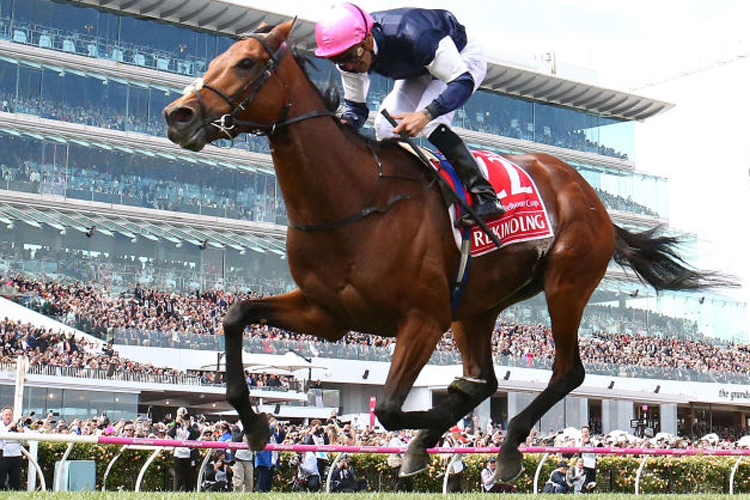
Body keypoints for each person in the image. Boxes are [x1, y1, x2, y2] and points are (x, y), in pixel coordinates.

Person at [314, 3, 505, 227]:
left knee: (430, 124)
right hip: (420, 67)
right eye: (338, 60)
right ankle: (398, 191)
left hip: (460, 57)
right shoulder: (348, 58)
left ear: (366, 40)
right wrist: (340, 127)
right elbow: (356, 109)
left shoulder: (415, 35)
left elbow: (462, 83)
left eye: (350, 56)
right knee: (385, 127)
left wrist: (426, 114)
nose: (348, 65)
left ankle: (485, 195)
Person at [167, 407, 200, 491]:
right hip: (179, 455)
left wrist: (188, 426)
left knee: (189, 479)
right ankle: (176, 493)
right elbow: (170, 434)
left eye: (184, 416)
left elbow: (196, 435)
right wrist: (176, 423)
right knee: (178, 478)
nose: (182, 418)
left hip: (190, 456)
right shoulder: (175, 425)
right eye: (180, 415)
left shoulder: (193, 425)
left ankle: (189, 493)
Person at [0, 407, 24, 490]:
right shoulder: (1, 425)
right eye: (6, 415)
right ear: (2, 416)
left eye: (10, 415)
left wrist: (21, 433)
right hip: (3, 455)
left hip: (16, 455)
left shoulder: (17, 426)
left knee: (15, 480)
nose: (8, 417)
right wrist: (9, 427)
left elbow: (23, 442)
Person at [231, 424, 254, 492]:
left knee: (249, 481)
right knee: (238, 481)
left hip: (248, 459)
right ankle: (237, 496)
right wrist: (244, 431)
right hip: (238, 459)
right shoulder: (237, 427)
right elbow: (234, 439)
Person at [579, 425, 597, 493]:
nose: (585, 433)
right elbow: (578, 450)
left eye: (586, 432)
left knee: (592, 482)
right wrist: (583, 443)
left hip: (592, 463)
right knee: (585, 481)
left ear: (589, 432)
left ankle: (591, 494)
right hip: (584, 464)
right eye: (583, 432)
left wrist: (590, 441)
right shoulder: (579, 440)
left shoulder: (593, 440)